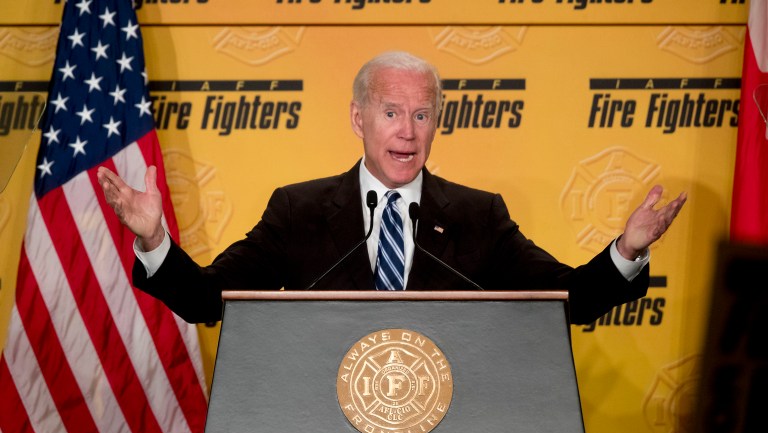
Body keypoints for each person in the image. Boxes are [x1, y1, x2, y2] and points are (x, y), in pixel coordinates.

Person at [97, 51, 687, 325]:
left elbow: (568, 301)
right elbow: (208, 302)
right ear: (358, 119)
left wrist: (627, 252)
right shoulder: (297, 211)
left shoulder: (479, 217)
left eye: (423, 115)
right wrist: (155, 242)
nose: (408, 132)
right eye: (391, 113)